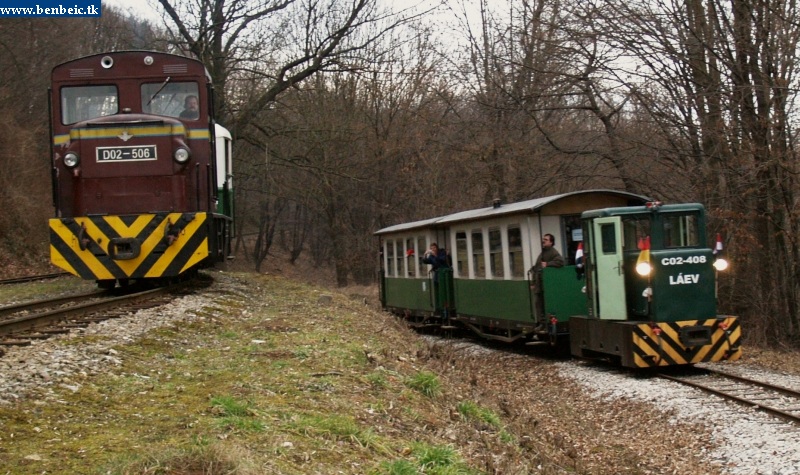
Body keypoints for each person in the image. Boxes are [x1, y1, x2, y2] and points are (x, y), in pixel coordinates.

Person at [531, 233, 564, 328]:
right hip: (539, 283)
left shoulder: (553, 252)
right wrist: (533, 282)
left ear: (551, 242)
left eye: (545, 240)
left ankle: (544, 323)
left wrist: (548, 264)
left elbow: (560, 262)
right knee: (538, 303)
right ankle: (541, 322)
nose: (543, 241)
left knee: (544, 303)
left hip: (546, 284)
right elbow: (536, 267)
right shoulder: (543, 252)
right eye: (543, 239)